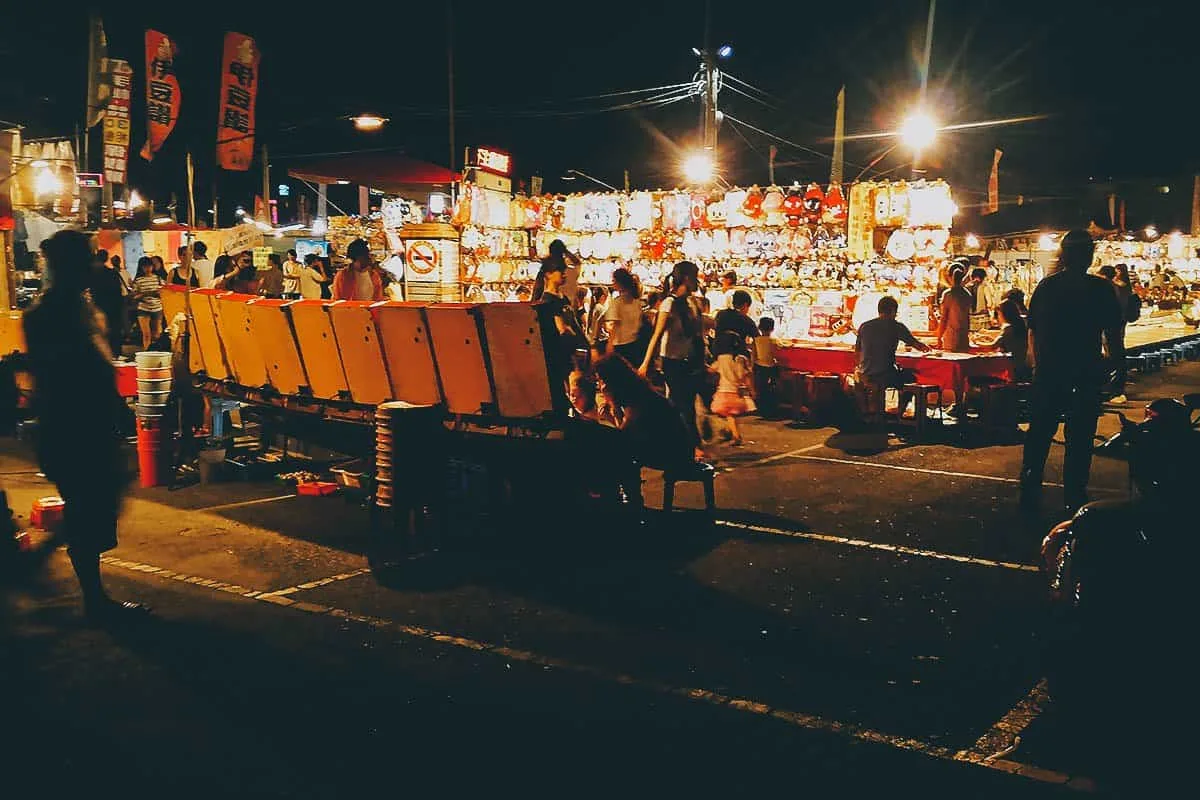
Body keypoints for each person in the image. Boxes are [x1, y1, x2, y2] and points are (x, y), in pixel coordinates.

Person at [22, 231, 147, 623]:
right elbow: (68, 372)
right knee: (88, 507)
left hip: (82, 424)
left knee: (94, 504)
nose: (95, 265)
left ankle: (78, 587)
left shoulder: (77, 306)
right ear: (72, 264)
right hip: (72, 426)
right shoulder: (50, 314)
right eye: (90, 258)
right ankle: (89, 597)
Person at [1020, 230, 1125, 515]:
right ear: (1089, 256)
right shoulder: (1100, 289)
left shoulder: (1047, 287)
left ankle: (1029, 494)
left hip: (1050, 373)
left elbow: (1033, 333)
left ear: (1064, 254)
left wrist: (1038, 366)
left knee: (1040, 435)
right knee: (1079, 439)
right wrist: (1120, 368)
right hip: (1084, 373)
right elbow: (1114, 336)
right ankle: (1074, 498)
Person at [639, 261, 706, 460]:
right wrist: (646, 363)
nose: (698, 280)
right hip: (672, 362)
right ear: (686, 278)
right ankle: (691, 446)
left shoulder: (693, 303)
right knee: (681, 405)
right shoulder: (669, 304)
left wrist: (703, 361)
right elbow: (657, 335)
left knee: (686, 405)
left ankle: (681, 445)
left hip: (690, 361)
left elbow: (697, 336)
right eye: (695, 276)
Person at [854, 295, 931, 418]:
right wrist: (928, 348)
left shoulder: (864, 326)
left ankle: (868, 413)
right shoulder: (896, 326)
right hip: (885, 373)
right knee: (910, 379)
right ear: (893, 311)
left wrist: (859, 369)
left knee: (896, 373)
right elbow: (916, 344)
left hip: (865, 373)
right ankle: (899, 414)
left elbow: (857, 351)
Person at [532, 252, 588, 407]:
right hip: (562, 358)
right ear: (549, 274)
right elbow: (563, 330)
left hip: (569, 356)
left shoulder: (562, 298)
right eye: (560, 271)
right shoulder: (548, 301)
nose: (564, 274)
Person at [709, 321, 756, 446]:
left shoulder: (722, 358)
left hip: (725, 391)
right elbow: (746, 376)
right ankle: (730, 431)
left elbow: (712, 369)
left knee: (727, 414)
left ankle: (735, 435)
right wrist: (752, 390)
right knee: (730, 415)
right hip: (738, 392)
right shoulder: (742, 359)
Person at [978, 299, 1030, 381]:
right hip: (1020, 364)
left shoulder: (1008, 328)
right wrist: (985, 335)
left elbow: (992, 346)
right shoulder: (1019, 324)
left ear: (1004, 314)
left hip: (1011, 367)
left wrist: (976, 342)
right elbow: (1001, 337)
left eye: (999, 314)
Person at [90, 248, 127, 359]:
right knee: (114, 331)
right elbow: (118, 292)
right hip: (114, 307)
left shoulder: (92, 274)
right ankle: (115, 354)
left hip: (99, 306)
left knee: (101, 332)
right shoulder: (112, 273)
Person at [604, 268, 645, 366]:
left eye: (614, 281)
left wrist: (609, 344)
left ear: (619, 283)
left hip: (620, 345)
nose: (612, 284)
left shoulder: (617, 302)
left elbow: (614, 326)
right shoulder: (637, 302)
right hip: (635, 343)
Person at [132, 255, 165, 350]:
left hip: (157, 307)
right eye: (145, 266)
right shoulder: (138, 280)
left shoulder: (158, 278)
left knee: (157, 333)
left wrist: (158, 293)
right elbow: (134, 296)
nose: (147, 268)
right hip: (143, 308)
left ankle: (156, 350)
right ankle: (147, 351)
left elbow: (163, 292)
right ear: (141, 268)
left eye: (149, 266)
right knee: (146, 334)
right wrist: (145, 294)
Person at [937, 266, 972, 353]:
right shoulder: (967, 294)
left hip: (951, 337)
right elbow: (967, 317)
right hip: (963, 336)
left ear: (951, 277)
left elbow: (943, 318)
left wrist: (939, 337)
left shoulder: (948, 294)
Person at [754, 316, 780, 416]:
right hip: (771, 366)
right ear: (772, 329)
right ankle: (771, 407)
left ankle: (761, 408)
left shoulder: (756, 340)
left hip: (759, 366)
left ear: (759, 327)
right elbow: (775, 355)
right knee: (772, 387)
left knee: (761, 388)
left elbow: (754, 355)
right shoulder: (773, 341)